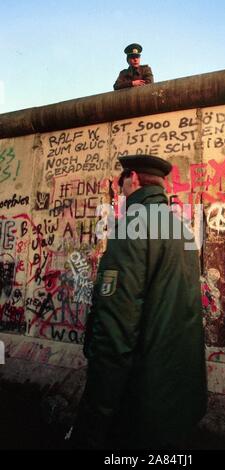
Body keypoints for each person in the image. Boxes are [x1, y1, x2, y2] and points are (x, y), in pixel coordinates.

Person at [70, 154, 207, 449]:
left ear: (133, 179)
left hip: (139, 402)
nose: (120, 194)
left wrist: (95, 415)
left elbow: (116, 329)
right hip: (174, 397)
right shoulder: (181, 229)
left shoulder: (133, 226)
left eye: (121, 186)